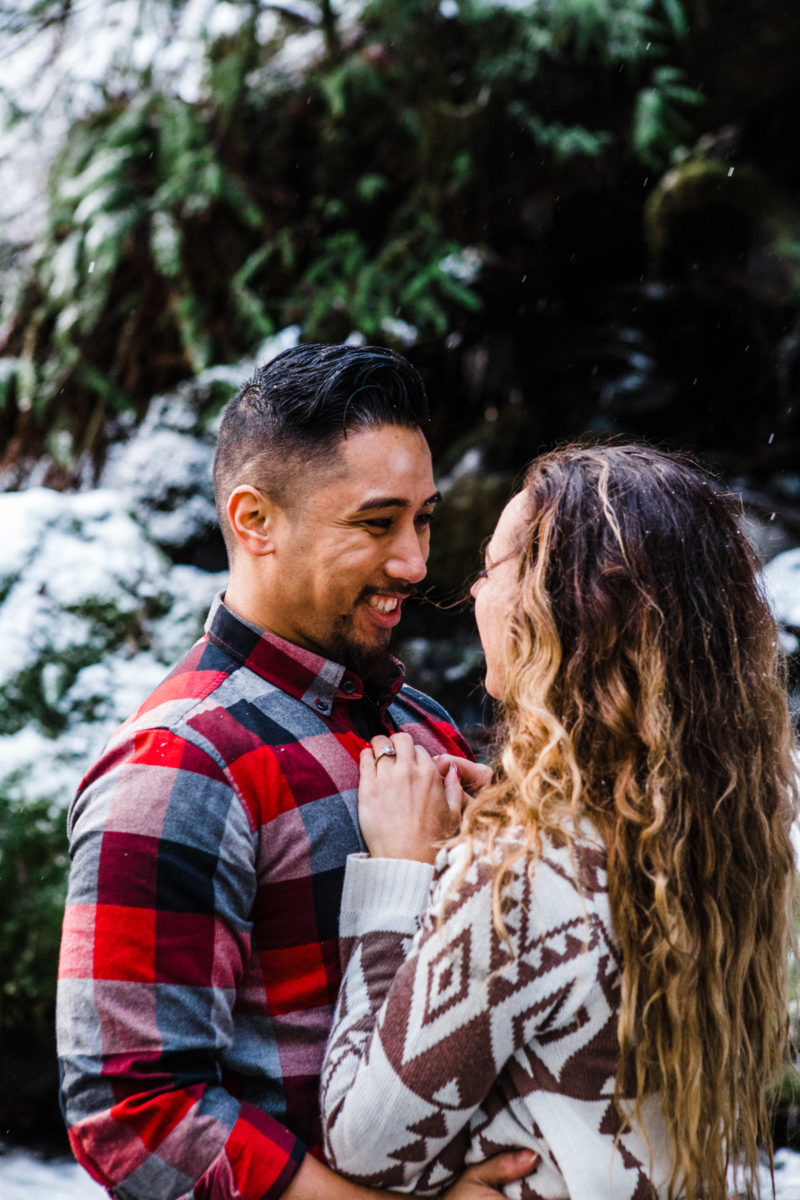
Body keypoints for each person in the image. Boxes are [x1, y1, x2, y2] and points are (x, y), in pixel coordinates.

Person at [56, 344, 538, 1200]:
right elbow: (136, 1112)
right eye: (375, 523)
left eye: (423, 519)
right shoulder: (181, 764)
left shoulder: (420, 722)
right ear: (254, 520)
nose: (415, 564)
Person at [321, 442, 799, 1199]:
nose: (472, 592)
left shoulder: (526, 871)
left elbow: (368, 1143)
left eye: (491, 569)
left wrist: (401, 874)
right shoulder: (724, 828)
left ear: (565, 609)